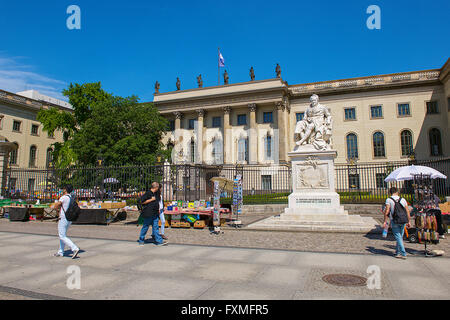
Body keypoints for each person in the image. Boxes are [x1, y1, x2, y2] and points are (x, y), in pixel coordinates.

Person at [51, 184, 80, 259]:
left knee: (62, 236)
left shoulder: (63, 197)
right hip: (69, 218)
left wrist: (55, 207)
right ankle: (61, 252)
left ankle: (74, 248)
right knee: (63, 235)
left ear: (65, 190)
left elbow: (57, 205)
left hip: (63, 218)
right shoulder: (72, 197)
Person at [383, 187, 411, 259]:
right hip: (403, 220)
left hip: (394, 220)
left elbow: (387, 211)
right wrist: (409, 221)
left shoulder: (389, 200)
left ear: (390, 192)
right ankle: (397, 252)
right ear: (397, 192)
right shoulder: (403, 199)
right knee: (400, 237)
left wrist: (385, 221)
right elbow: (407, 211)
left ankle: (403, 253)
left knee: (398, 237)